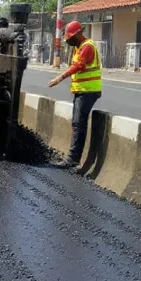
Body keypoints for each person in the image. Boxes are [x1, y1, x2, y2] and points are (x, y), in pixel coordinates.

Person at [48, 20, 102, 169]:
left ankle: (73, 158)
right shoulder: (79, 47)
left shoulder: (87, 47)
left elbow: (78, 66)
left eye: (71, 37)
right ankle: (73, 158)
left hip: (88, 90)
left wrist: (60, 78)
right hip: (81, 90)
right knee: (77, 123)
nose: (69, 41)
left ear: (78, 34)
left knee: (79, 124)